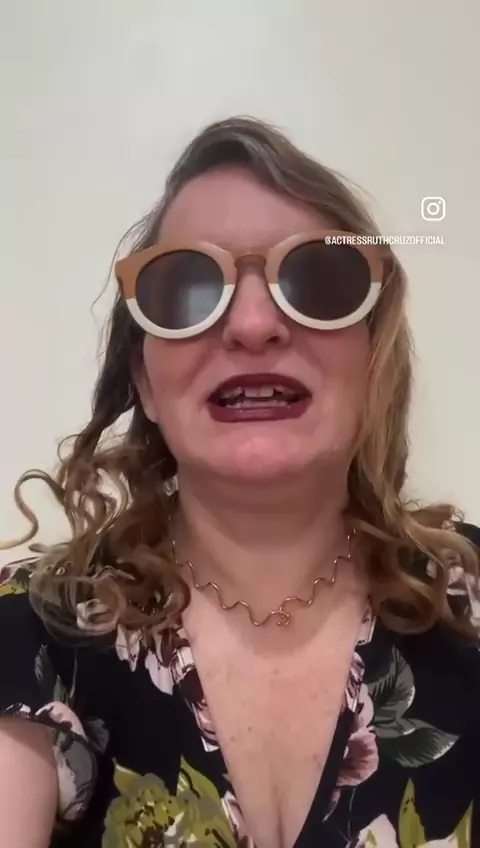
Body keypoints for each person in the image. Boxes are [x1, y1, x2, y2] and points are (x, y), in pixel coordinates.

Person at [0, 116, 479, 848]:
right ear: (144, 383)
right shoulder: (32, 627)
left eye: (317, 282)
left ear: (373, 359)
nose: (253, 325)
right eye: (187, 289)